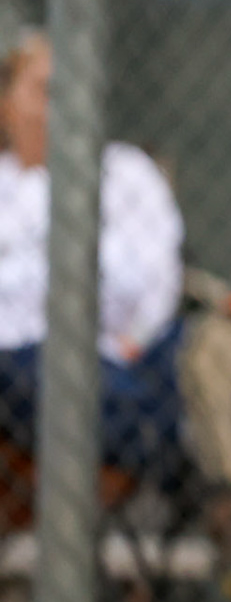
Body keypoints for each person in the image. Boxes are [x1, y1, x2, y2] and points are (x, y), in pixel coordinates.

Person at [0, 31, 186, 492]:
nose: (61, 107)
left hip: (118, 358)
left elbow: (153, 280)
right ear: (6, 104)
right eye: (45, 91)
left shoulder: (125, 173)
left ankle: (147, 440)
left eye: (73, 91)